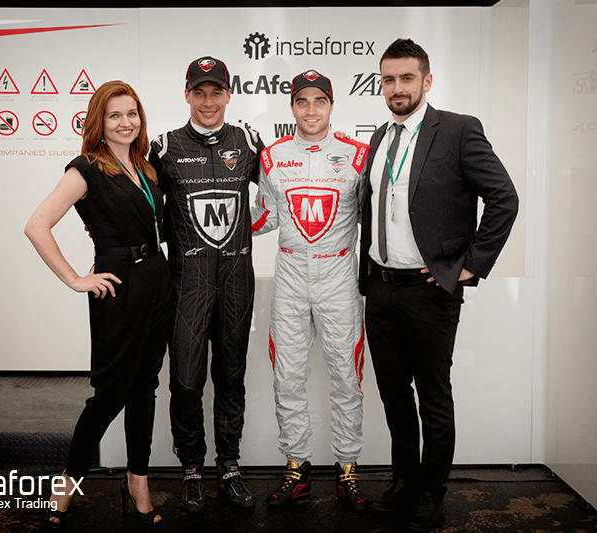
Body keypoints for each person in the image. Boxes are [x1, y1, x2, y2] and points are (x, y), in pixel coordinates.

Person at [359, 38, 519, 530]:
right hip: (380, 287)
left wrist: (470, 264)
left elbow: (504, 198)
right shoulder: (380, 138)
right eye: (389, 79)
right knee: (393, 393)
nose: (397, 87)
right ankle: (404, 481)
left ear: (427, 81)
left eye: (407, 78)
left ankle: (432, 491)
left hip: (430, 290)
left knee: (433, 396)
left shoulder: (457, 130)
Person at [25, 80, 172, 526]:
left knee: (145, 387)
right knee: (110, 394)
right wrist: (75, 279)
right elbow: (37, 225)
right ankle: (67, 481)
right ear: (99, 123)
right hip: (118, 285)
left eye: (132, 113)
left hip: (157, 280)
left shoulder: (145, 167)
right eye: (115, 115)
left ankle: (137, 480)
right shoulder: (86, 168)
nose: (126, 122)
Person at [148, 56, 265, 513]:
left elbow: (281, 195)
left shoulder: (248, 142)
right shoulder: (164, 148)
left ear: (229, 95)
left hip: (237, 281)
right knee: (185, 380)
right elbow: (141, 207)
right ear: (187, 95)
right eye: (200, 92)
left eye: (217, 92)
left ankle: (229, 466)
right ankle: (192, 469)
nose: (208, 101)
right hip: (187, 285)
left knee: (232, 376)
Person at [250, 70, 370, 513]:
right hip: (291, 276)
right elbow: (262, 217)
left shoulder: (358, 155)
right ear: (292, 107)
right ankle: (296, 469)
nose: (311, 109)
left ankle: (348, 470)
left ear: (332, 105)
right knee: (287, 378)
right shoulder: (273, 156)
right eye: (303, 101)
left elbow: (379, 217)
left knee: (347, 378)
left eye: (320, 101)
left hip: (338, 275)